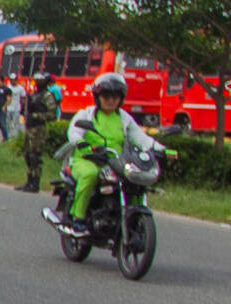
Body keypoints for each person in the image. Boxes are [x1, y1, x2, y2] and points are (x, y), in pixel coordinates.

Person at [51, 71, 161, 232]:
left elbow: (142, 139)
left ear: (121, 98)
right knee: (91, 174)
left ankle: (127, 218)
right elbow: (74, 132)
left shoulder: (124, 118)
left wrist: (163, 150)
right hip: (86, 160)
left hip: (116, 162)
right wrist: (81, 143)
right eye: (106, 96)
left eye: (115, 96)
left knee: (134, 181)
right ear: (98, 97)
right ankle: (78, 218)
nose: (110, 100)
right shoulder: (87, 114)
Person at [18, 73, 60, 192]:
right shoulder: (35, 95)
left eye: (39, 81)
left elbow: (52, 115)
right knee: (28, 155)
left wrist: (37, 116)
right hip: (30, 127)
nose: (37, 83)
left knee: (35, 156)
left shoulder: (47, 96)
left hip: (39, 129)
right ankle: (29, 181)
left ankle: (35, 183)